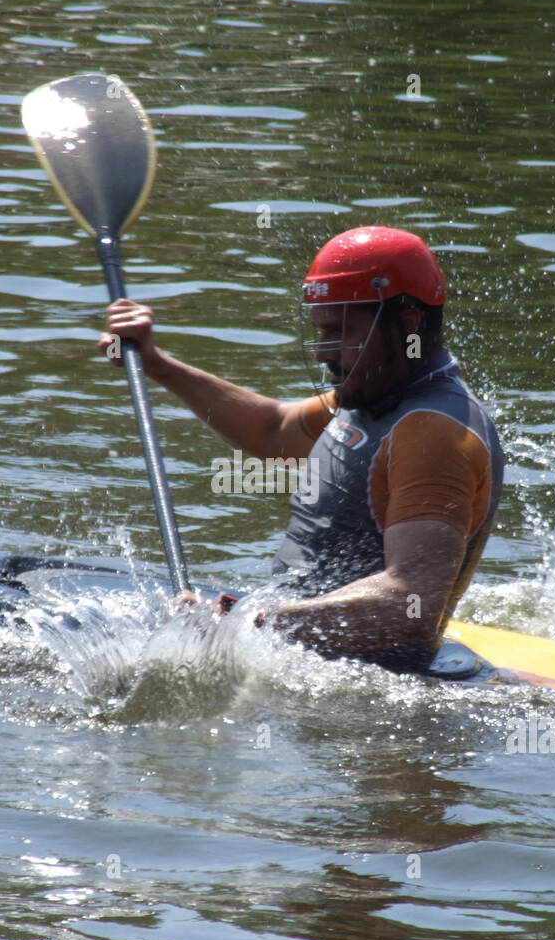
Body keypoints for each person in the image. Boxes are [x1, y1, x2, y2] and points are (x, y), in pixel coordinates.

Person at [98, 226, 503, 673]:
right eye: (320, 332)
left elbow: (411, 604)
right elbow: (273, 431)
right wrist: (158, 365)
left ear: (407, 323)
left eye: (340, 333)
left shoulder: (433, 432)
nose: (323, 353)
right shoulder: (374, 396)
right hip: (296, 651)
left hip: (364, 695)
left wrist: (242, 623)